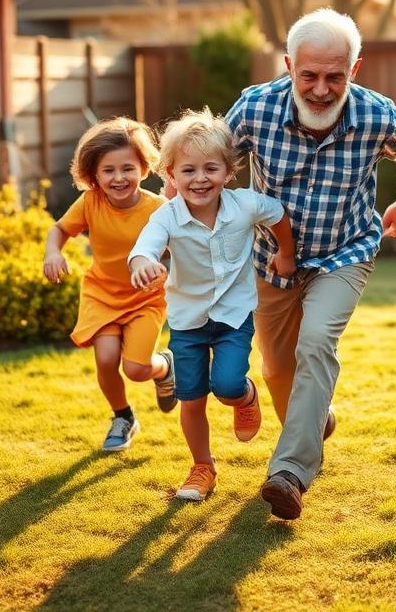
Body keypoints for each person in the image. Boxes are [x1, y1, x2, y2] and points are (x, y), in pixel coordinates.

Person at [225, 7, 396, 519]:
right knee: (276, 368)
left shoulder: (376, 115)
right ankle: (316, 420)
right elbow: (215, 160)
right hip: (271, 258)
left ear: (353, 71)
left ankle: (289, 472)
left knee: (317, 342)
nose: (319, 88)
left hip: (347, 250)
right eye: (308, 75)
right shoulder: (254, 109)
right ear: (289, 64)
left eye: (334, 76)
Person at [128, 108, 296, 502]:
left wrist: (285, 253)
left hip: (234, 317)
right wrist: (143, 264)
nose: (199, 179)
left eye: (210, 169)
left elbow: (279, 214)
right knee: (192, 396)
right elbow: (145, 247)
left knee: (226, 384)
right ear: (170, 175)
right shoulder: (166, 217)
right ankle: (202, 467)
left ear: (228, 171)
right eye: (188, 171)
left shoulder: (244, 206)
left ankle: (244, 395)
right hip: (187, 321)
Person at [43, 117, 176, 452]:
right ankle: (123, 417)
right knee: (105, 359)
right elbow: (58, 230)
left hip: (145, 299)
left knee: (136, 368)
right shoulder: (90, 202)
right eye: (109, 171)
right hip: (102, 294)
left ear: (144, 168)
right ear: (93, 176)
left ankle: (164, 368)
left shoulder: (158, 209)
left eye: (128, 168)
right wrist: (53, 253)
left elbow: (184, 251)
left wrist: (166, 272)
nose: (119, 178)